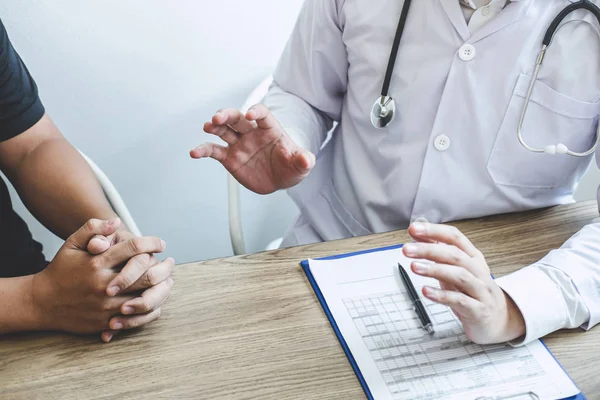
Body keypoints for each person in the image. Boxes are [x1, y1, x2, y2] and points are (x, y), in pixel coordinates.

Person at [191, 0, 600, 346]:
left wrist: (519, 304)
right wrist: (290, 141)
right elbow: (302, 94)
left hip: (512, 278)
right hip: (332, 254)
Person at [0, 18, 174, 343]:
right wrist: (36, 300)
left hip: (40, 289)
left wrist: (110, 238)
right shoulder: (42, 299)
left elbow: (30, 146)